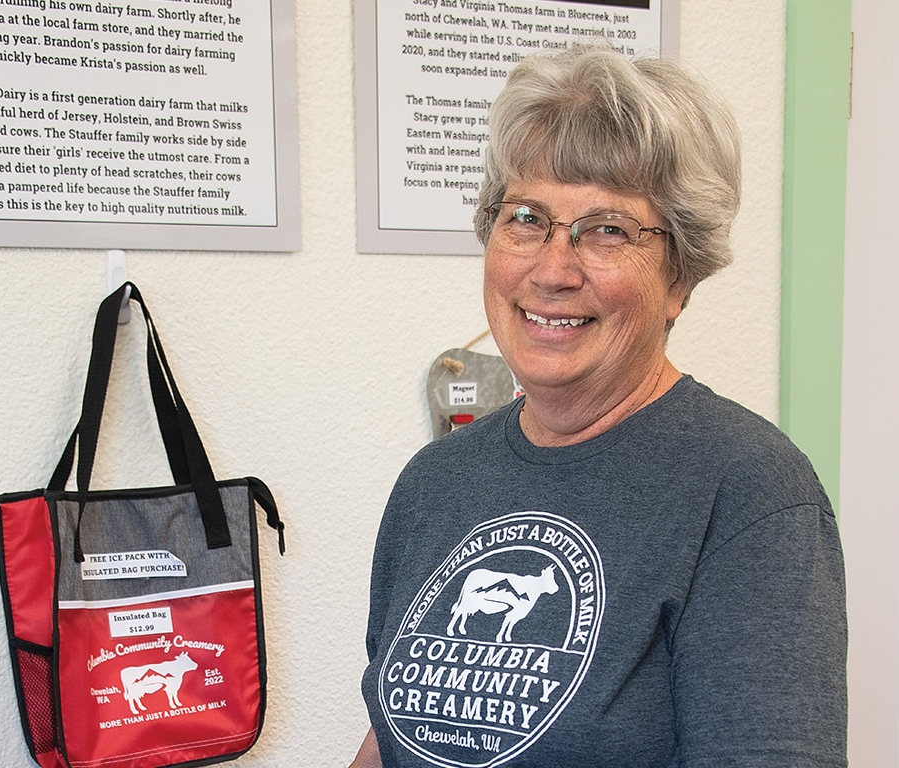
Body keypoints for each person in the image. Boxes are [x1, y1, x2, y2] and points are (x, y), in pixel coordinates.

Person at [351, 46, 847, 768]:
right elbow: (393, 737)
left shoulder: (749, 492)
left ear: (679, 276)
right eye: (526, 218)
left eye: (608, 229)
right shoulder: (436, 482)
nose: (553, 269)